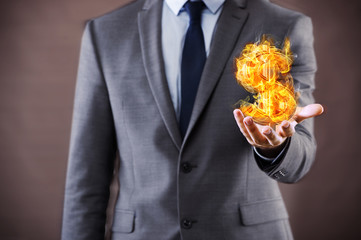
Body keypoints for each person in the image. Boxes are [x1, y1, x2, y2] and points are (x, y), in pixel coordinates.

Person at [61, 0, 323, 239]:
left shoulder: (283, 25)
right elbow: (87, 174)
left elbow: (299, 159)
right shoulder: (106, 33)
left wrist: (275, 147)